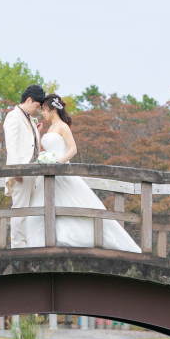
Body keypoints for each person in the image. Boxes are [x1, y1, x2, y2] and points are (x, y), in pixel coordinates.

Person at [25, 95, 141, 251]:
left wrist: (57, 165)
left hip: (59, 170)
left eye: (44, 109)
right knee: (43, 206)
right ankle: (45, 241)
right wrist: (38, 133)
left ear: (52, 109)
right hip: (48, 173)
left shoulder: (63, 126)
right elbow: (43, 151)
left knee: (68, 203)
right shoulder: (50, 128)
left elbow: (73, 149)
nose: (42, 113)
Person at [3, 84, 45, 248]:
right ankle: (18, 246)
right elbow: (12, 146)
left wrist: (37, 130)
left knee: (29, 209)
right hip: (21, 170)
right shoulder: (13, 116)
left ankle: (28, 243)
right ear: (29, 100)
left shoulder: (28, 118)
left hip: (31, 171)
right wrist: (16, 169)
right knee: (20, 209)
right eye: (37, 105)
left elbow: (32, 145)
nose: (38, 109)